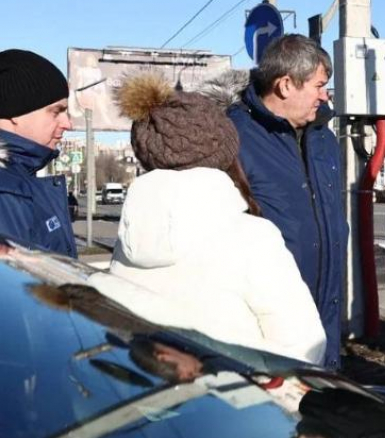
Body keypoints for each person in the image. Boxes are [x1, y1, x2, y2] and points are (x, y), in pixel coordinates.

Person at [104, 73, 326, 364]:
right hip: (234, 401)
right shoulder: (253, 238)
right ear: (223, 151)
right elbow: (303, 350)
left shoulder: (132, 235)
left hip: (152, 396)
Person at [226, 35, 348, 370]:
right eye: (319, 85)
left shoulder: (322, 135)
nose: (325, 95)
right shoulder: (233, 137)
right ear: (285, 85)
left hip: (324, 319)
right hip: (266, 334)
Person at [0, 49, 76, 257]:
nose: (67, 123)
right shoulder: (8, 192)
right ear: (15, 112)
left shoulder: (19, 180)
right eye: (56, 111)